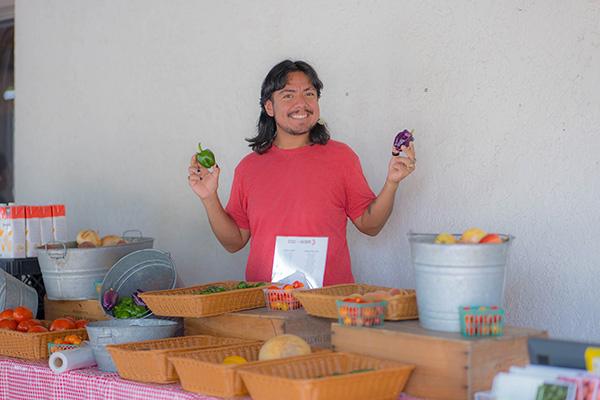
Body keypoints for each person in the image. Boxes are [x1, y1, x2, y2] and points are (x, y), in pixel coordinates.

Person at [188, 60, 416, 286]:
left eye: (309, 94)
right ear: (269, 107)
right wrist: (209, 198)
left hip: (327, 303)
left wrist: (391, 183)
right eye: (288, 95)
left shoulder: (342, 157)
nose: (301, 103)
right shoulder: (249, 168)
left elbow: (370, 225)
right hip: (264, 305)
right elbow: (234, 241)